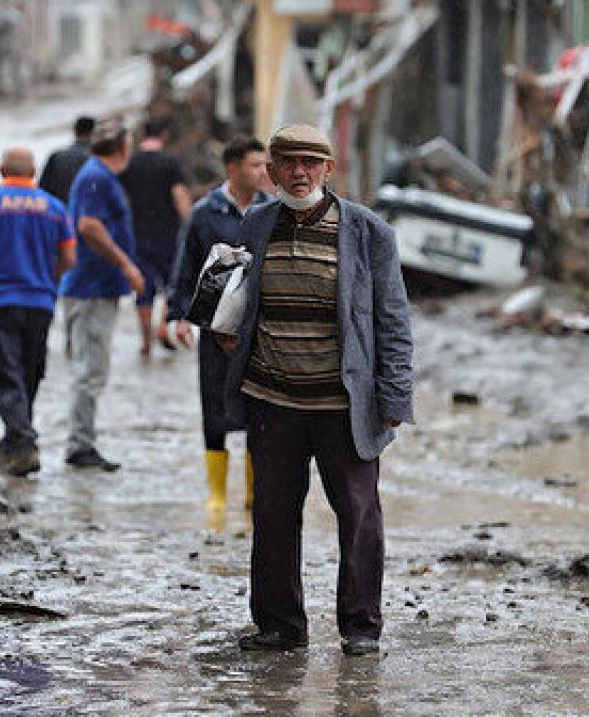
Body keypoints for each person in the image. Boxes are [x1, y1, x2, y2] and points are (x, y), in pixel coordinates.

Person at [217, 125, 413, 657]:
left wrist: (394, 399)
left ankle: (361, 627)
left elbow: (393, 320)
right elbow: (237, 295)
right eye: (289, 163)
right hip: (272, 401)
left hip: (342, 405)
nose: (300, 172)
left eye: (311, 163)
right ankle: (280, 624)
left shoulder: (369, 232)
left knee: (359, 515)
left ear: (329, 170)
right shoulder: (256, 224)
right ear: (272, 171)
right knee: (274, 516)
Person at [165, 135, 270, 515]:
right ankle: (217, 495)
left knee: (259, 411)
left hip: (260, 330)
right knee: (215, 406)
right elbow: (184, 266)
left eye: (264, 165)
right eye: (255, 165)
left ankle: (255, 495)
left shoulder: (272, 211)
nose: (263, 172)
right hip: (214, 329)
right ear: (232, 168)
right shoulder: (205, 212)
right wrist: (176, 314)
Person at [0, 148, 77, 476]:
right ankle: (16, 442)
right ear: (34, 172)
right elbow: (69, 258)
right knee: (29, 372)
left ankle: (22, 438)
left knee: (3, 371)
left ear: (1, 170)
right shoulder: (55, 208)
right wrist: (44, 278)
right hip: (40, 302)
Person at [60, 119, 146, 470]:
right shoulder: (96, 177)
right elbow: (89, 226)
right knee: (91, 370)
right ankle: (80, 445)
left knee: (92, 367)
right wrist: (127, 265)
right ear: (123, 147)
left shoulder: (98, 175)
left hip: (96, 287)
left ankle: (83, 440)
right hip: (90, 287)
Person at [119, 117, 191, 356]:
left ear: (143, 132)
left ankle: (145, 340)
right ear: (164, 135)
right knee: (172, 282)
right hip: (167, 234)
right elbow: (179, 194)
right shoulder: (170, 162)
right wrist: (190, 224)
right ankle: (162, 327)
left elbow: (121, 199)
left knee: (142, 286)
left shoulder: (129, 163)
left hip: (136, 234)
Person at [39, 116, 95, 204]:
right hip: (89, 214)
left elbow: (42, 191)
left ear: (75, 132)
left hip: (61, 213)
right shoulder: (99, 159)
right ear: (94, 133)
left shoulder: (56, 157)